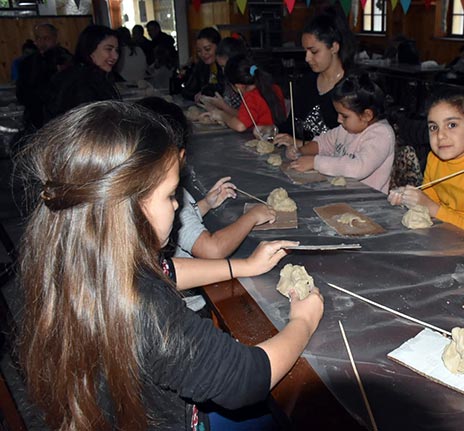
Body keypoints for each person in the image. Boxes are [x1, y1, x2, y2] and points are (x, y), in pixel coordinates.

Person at [17, 100, 324, 430]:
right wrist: (303, 322)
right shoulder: (145, 309)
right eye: (169, 196)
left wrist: (243, 266)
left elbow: (167, 271)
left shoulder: (82, 261)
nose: (178, 205)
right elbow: (245, 378)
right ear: (128, 207)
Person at [137, 96, 276, 259]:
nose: (175, 205)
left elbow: (184, 220)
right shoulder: (163, 195)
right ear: (180, 154)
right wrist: (252, 216)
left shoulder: (141, 185)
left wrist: (205, 205)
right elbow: (212, 249)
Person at [388, 89, 464, 242]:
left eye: (452, 125)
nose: (440, 135)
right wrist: (408, 198)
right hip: (442, 236)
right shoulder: (435, 158)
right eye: (434, 127)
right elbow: (428, 201)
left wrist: (430, 206)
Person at [282, 72, 395, 194]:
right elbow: (323, 144)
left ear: (367, 115)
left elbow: (358, 168)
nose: (338, 120)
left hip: (367, 203)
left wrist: (315, 162)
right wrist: (301, 152)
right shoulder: (346, 128)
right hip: (342, 195)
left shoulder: (381, 135)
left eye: (344, 116)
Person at [273, 9, 356, 142]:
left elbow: (349, 145)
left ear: (334, 47)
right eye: (305, 51)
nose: (307, 58)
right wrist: (273, 130)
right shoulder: (307, 83)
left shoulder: (353, 88)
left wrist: (301, 144)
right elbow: (291, 126)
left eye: (314, 51)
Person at [46, 25, 120, 120]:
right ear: (91, 49)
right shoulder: (81, 82)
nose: (115, 56)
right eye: (109, 49)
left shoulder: (93, 76)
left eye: (117, 50)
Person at [203, 55, 285, 133]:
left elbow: (240, 126)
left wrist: (222, 115)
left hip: (264, 140)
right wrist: (224, 107)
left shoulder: (251, 96)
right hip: (277, 134)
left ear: (238, 86)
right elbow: (247, 115)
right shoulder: (273, 88)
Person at [16, 23, 72, 129]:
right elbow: (21, 91)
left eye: (46, 38)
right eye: (38, 38)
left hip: (61, 117)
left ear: (55, 38)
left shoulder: (66, 59)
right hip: (36, 116)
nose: (42, 42)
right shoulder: (28, 62)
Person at [198, 36, 252, 114]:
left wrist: (223, 107)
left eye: (224, 66)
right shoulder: (228, 80)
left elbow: (248, 118)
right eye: (221, 67)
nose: (223, 71)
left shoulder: (246, 83)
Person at [182, 27, 222, 101]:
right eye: (199, 51)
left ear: (218, 46)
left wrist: (206, 92)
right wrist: (195, 96)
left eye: (207, 49)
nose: (203, 54)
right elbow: (187, 90)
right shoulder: (201, 66)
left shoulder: (226, 66)